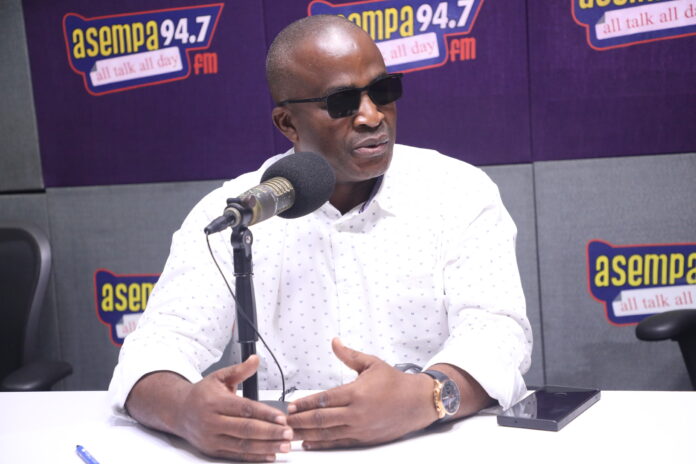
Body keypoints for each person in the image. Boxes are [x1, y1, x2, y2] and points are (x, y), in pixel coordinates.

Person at [109, 14, 532, 463]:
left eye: (383, 91)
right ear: (287, 123)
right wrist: (183, 411)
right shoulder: (237, 213)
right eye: (342, 102)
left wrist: (424, 397)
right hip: (286, 452)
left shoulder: (457, 192)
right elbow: (154, 348)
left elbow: (498, 333)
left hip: (430, 447)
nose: (372, 116)